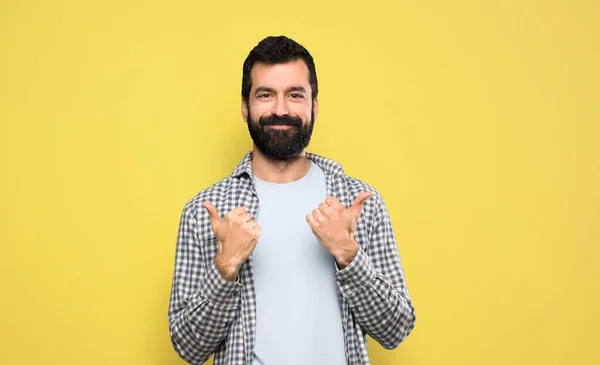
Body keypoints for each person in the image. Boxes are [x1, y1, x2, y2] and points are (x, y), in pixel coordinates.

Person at [168, 35, 416, 365]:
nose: (281, 109)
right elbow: (189, 348)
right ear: (245, 107)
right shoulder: (206, 211)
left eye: (295, 95)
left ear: (314, 105)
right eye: (265, 95)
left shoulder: (359, 203)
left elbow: (396, 329)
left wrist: (347, 252)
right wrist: (225, 265)